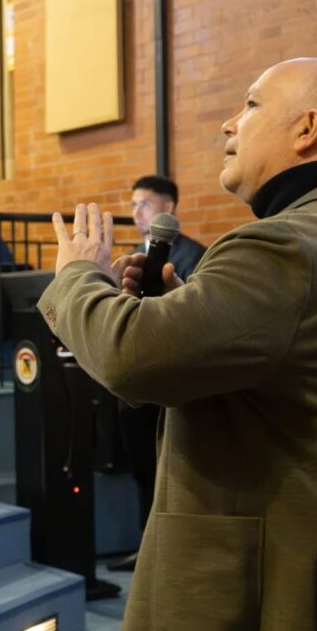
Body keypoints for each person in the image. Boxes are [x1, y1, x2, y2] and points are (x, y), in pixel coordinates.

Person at [38, 58, 317, 631]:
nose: (229, 124)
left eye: (251, 105)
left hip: (269, 597)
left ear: (307, 129)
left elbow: (129, 358)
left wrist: (78, 276)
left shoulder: (286, 247)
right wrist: (183, 311)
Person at [107, 174, 208, 573]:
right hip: (135, 382)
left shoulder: (195, 256)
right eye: (133, 205)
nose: (136, 212)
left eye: (144, 204)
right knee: (142, 471)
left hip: (169, 384)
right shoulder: (134, 256)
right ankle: (145, 546)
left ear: (168, 208)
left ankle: (171, 554)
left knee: (169, 473)